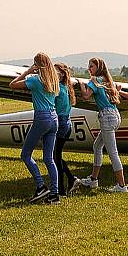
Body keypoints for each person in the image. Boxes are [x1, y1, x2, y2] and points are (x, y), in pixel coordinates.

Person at [9, 53, 60, 203]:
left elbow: (12, 84)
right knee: (49, 158)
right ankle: (55, 194)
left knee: (25, 154)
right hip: (54, 118)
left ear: (37, 65)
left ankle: (41, 186)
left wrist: (27, 72)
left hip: (42, 118)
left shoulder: (35, 80)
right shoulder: (54, 80)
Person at [78, 57, 128, 192]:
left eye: (91, 66)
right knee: (97, 146)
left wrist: (81, 84)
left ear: (98, 68)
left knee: (113, 153)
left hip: (106, 117)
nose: (89, 69)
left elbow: (86, 96)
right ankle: (93, 180)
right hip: (115, 115)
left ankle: (122, 186)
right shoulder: (109, 81)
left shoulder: (94, 81)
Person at [52, 63, 78, 203]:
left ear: (61, 73)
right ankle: (70, 180)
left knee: (55, 157)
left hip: (61, 123)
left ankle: (61, 189)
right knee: (56, 155)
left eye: (55, 71)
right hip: (67, 123)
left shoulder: (58, 89)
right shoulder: (66, 87)